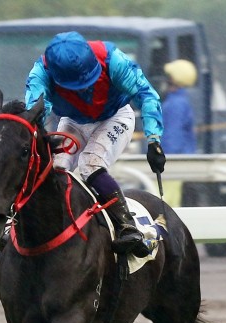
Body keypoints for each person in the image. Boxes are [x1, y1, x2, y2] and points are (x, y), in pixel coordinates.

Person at [24, 31, 167, 258]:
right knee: (56, 170)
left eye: (86, 81)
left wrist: (153, 139)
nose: (82, 89)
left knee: (90, 164)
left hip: (115, 117)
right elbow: (35, 112)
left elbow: (146, 94)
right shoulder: (41, 72)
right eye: (75, 85)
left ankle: (126, 226)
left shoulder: (113, 59)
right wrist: (40, 138)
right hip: (73, 121)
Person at [160, 59, 198, 206]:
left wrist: (162, 158)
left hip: (170, 162)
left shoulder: (175, 104)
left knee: (165, 200)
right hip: (175, 159)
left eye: (169, 76)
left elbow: (172, 137)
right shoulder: (179, 101)